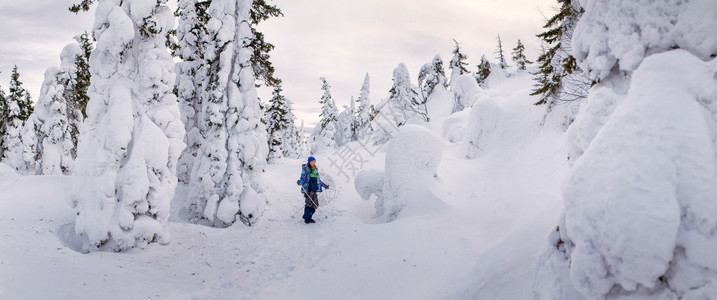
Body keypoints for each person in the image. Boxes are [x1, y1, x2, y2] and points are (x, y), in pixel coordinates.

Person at [297, 156, 329, 223]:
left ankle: (306, 215)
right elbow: (303, 177)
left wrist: (324, 185)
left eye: (314, 161)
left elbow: (318, 180)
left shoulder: (315, 169)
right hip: (308, 189)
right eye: (312, 161)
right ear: (309, 162)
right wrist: (300, 181)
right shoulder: (306, 169)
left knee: (315, 204)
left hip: (314, 189)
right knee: (309, 204)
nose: (313, 162)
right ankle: (307, 219)